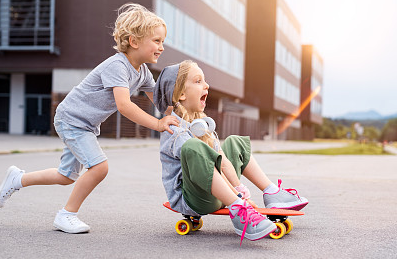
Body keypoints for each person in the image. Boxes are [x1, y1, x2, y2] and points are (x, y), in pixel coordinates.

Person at [0, 3, 179, 234]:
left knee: (65, 176)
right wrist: (157, 124)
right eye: (157, 41)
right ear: (134, 41)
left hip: (84, 124)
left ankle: (17, 179)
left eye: (162, 41)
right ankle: (66, 215)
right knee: (99, 167)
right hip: (72, 120)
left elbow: (160, 102)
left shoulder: (142, 72)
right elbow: (124, 105)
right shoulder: (118, 66)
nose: (162, 47)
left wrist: (178, 116)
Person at [153, 60, 308, 244]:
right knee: (193, 147)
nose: (206, 85)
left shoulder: (202, 125)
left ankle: (272, 193)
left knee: (235, 142)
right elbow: (212, 168)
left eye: (204, 81)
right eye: (198, 81)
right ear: (181, 94)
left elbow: (223, 161)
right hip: (193, 199)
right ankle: (240, 213)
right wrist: (239, 200)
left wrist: (240, 192)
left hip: (217, 193)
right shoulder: (175, 131)